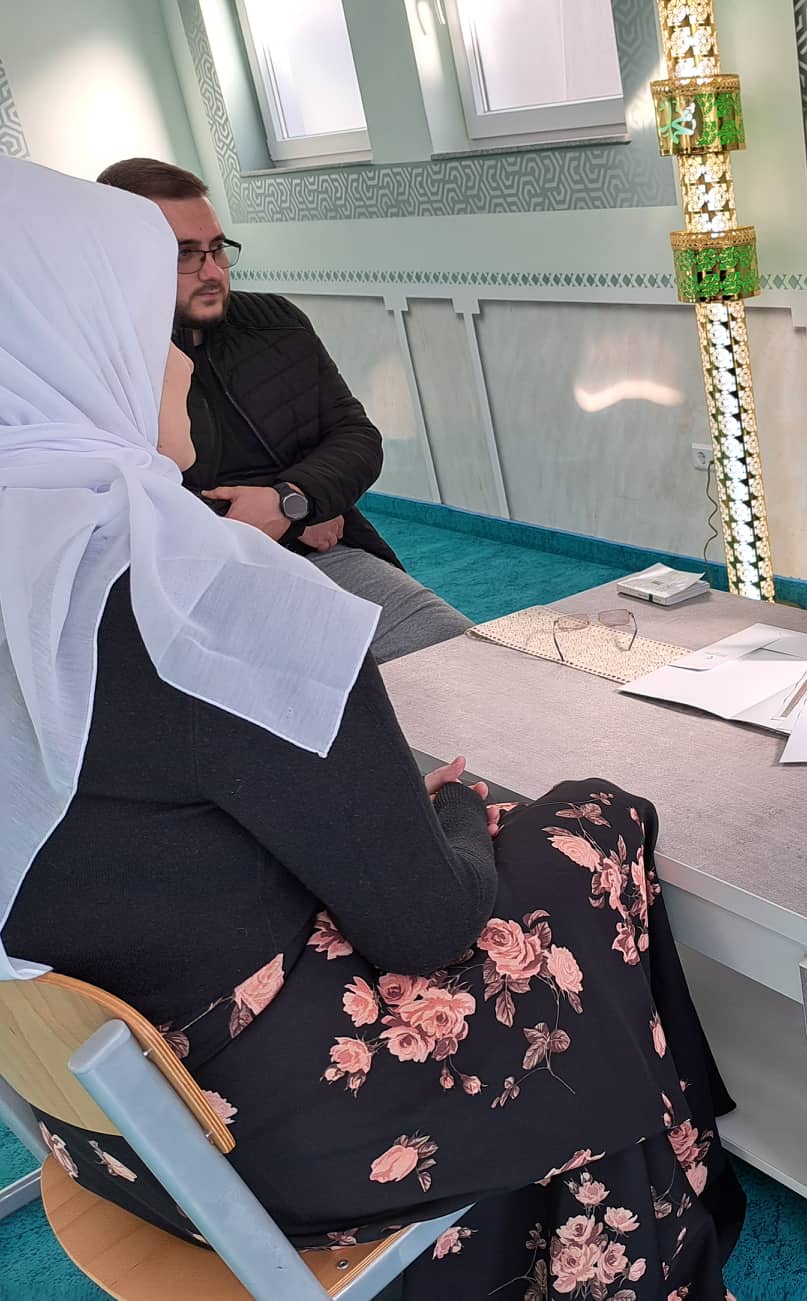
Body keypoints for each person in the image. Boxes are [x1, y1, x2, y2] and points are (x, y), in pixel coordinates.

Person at [0, 158, 743, 1299]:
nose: (180, 357)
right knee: (592, 822)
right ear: (81, 354)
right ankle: (651, 1201)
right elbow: (425, 926)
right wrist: (452, 813)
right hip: (281, 1139)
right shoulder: (208, 601)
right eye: (146, 320)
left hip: (114, 1131)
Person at [96, 157, 472, 664]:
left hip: (326, 554)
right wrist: (297, 517)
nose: (213, 272)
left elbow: (355, 436)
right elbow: (122, 513)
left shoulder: (275, 321)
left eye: (217, 249)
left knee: (465, 660)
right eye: (185, 254)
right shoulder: (94, 360)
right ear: (123, 256)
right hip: (195, 591)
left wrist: (293, 499)